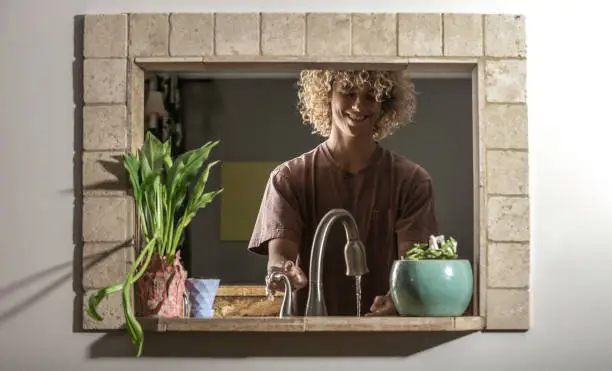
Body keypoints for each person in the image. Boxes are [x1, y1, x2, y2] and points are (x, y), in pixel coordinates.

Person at [247, 69, 439, 316]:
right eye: (348, 93)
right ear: (327, 96)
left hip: (383, 334)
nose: (358, 105)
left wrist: (398, 299)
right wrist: (283, 273)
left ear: (385, 104)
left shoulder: (411, 181)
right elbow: (280, 256)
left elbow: (412, 265)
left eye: (371, 96)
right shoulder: (288, 178)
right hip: (310, 335)